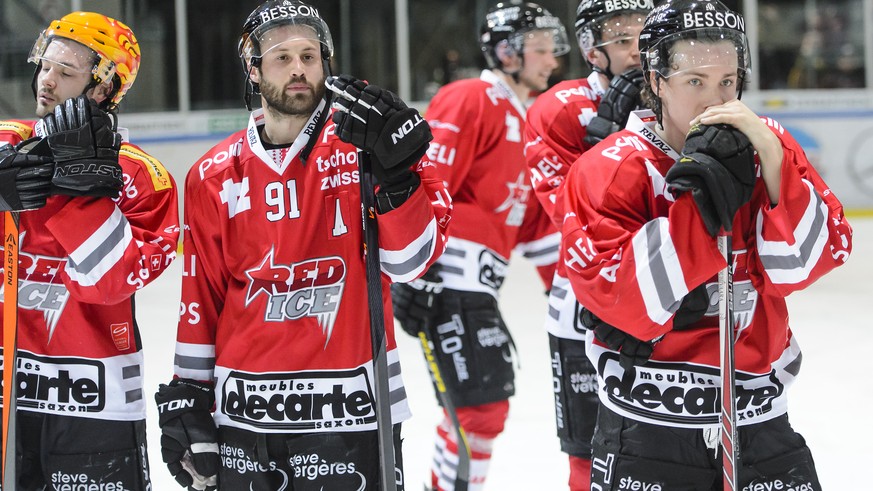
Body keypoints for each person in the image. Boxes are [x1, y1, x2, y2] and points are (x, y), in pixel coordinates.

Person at [153, 1, 451, 490]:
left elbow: (410, 262)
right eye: (281, 57)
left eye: (309, 56)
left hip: (352, 414)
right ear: (254, 69)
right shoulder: (211, 175)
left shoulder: (366, 152)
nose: (298, 69)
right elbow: (201, 297)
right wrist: (189, 392)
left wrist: (398, 178)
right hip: (244, 417)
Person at [557, 0, 853, 488]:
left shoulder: (766, 147)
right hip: (650, 434)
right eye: (695, 81)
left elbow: (802, 264)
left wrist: (775, 161)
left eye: (728, 81)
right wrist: (701, 206)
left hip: (761, 425)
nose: (716, 99)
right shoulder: (610, 168)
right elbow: (627, 303)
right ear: (656, 82)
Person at [390, 3, 567, 490]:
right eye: (542, 49)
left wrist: (572, 292)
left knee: (484, 409)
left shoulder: (527, 119)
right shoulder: (471, 97)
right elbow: (429, 180)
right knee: (479, 410)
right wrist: (420, 273)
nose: (553, 61)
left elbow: (533, 222)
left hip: (478, 290)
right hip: (447, 283)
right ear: (507, 52)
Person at [0, 12, 180, 489]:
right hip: (5, 397)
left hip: (95, 405)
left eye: (67, 71)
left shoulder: (142, 177)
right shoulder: (5, 143)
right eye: (45, 66)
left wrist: (77, 197)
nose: (47, 80)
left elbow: (109, 283)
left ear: (103, 89)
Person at [523, 1, 653, 489]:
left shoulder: (680, 99)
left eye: (645, 38)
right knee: (588, 455)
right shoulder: (559, 107)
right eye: (623, 41)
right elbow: (568, 213)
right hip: (582, 308)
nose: (639, 52)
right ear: (591, 50)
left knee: (669, 453)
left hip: (670, 301)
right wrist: (606, 134)